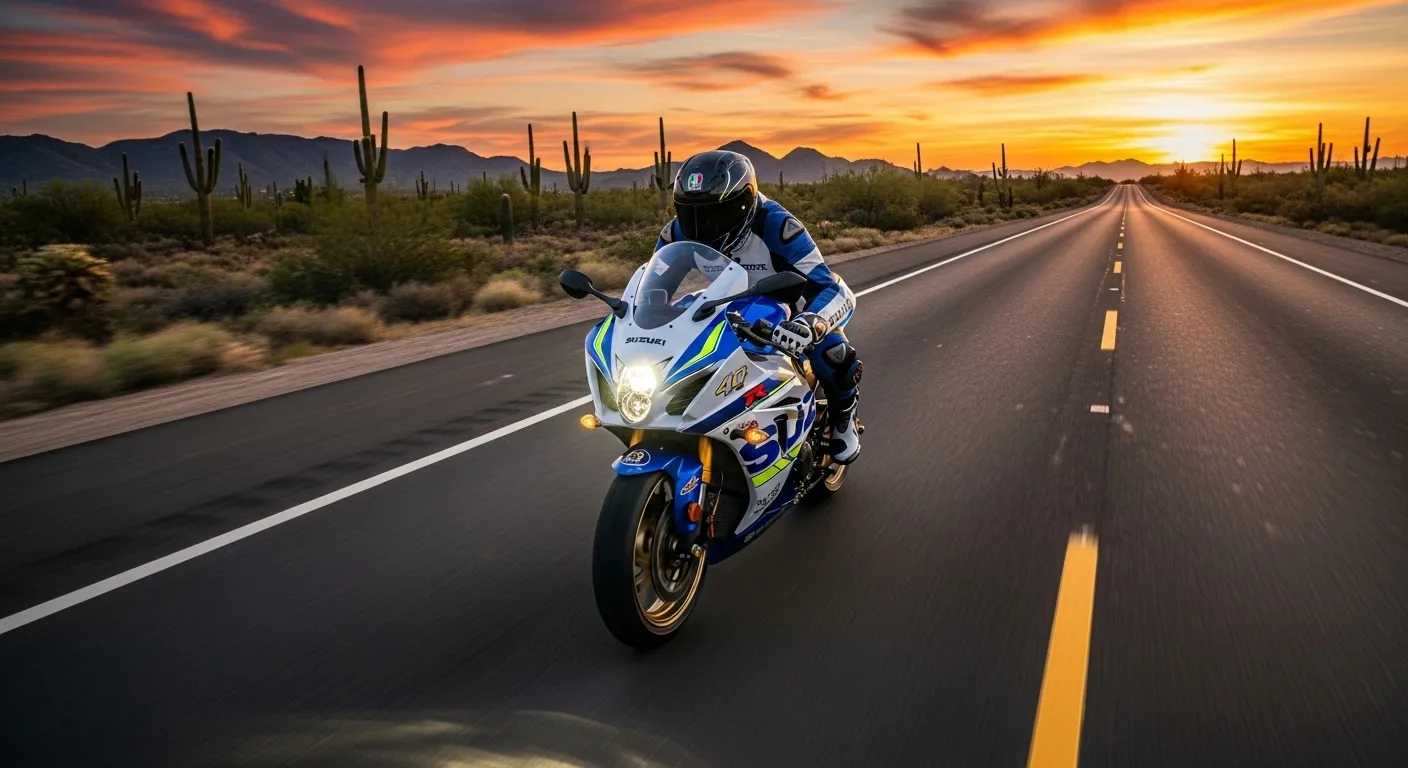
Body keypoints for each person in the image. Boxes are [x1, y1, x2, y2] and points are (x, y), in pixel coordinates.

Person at [657, 150, 862, 463]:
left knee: (833, 354)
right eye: (692, 213)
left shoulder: (777, 226)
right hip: (729, 305)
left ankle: (844, 420)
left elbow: (827, 286)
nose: (703, 225)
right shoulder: (677, 231)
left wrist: (810, 324)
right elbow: (655, 287)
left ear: (744, 202)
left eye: (716, 213)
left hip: (791, 308)